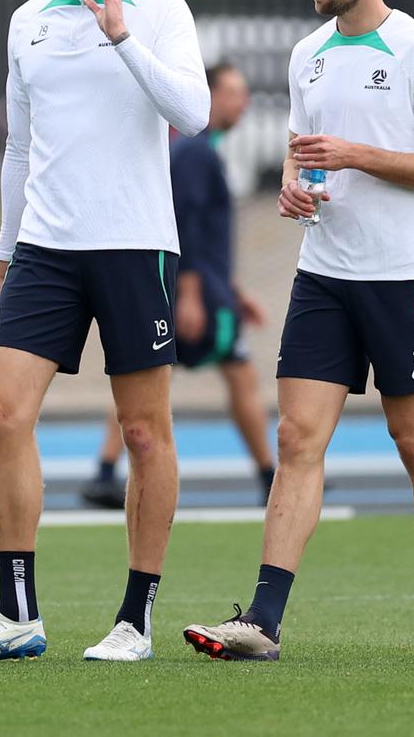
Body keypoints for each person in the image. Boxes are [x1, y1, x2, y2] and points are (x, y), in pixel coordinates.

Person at [183, 0, 414, 662]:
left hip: (402, 276)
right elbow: (303, 151)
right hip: (323, 274)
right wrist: (295, 183)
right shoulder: (307, 53)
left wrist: (356, 155)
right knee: (295, 438)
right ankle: (263, 621)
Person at [0, 0, 209, 664]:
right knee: (0, 413)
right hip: (46, 250)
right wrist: (1, 261)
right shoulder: (28, 21)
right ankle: (16, 613)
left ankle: (135, 619)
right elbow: (19, 148)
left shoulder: (159, 9)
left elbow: (192, 114)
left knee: (143, 433)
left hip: (134, 245)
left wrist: (121, 31)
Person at [80, 63, 275, 510]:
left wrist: (235, 290)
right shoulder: (195, 151)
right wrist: (190, 296)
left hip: (207, 289)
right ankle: (270, 476)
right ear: (207, 96)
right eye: (233, 93)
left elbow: (205, 235)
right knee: (235, 376)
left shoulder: (201, 149)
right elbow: (183, 225)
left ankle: (106, 471)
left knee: (147, 378)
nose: (242, 102)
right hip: (195, 296)